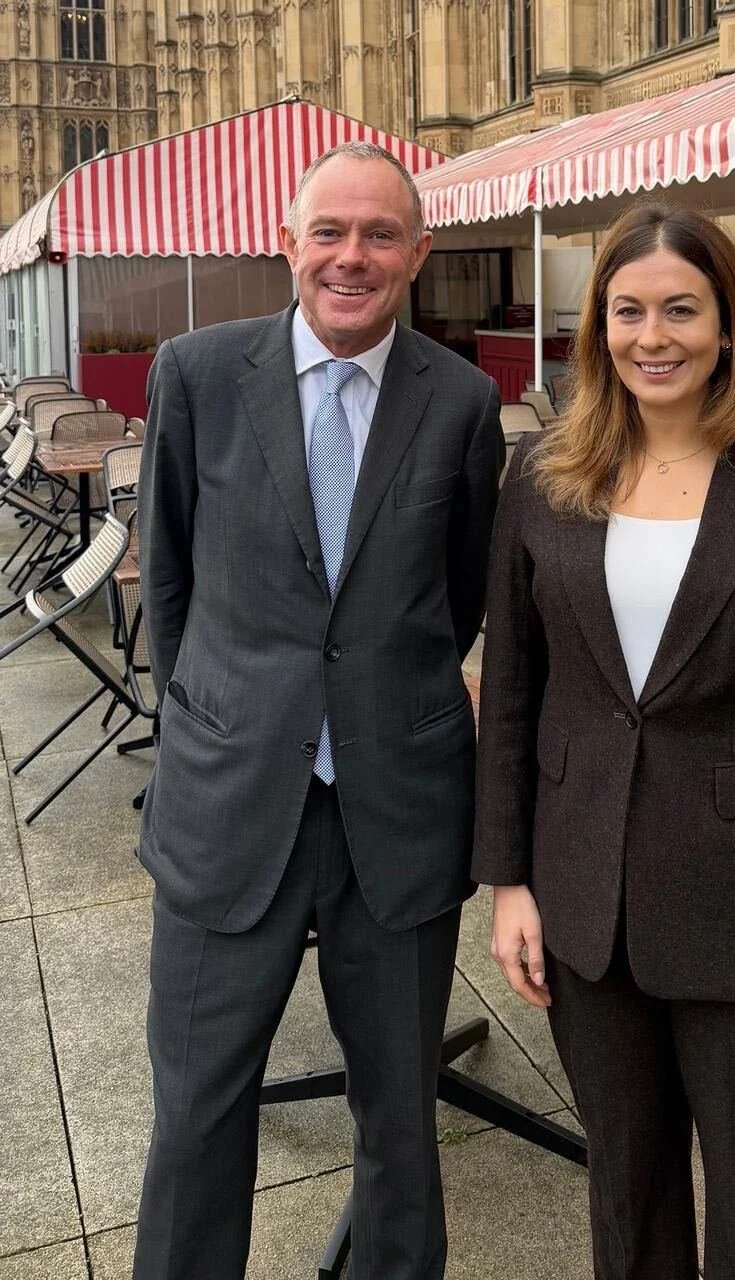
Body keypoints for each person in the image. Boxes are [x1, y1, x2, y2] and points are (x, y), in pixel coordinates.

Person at [472, 202, 735, 1280]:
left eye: (680, 310)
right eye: (628, 310)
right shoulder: (541, 478)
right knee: (627, 1188)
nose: (652, 336)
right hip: (584, 905)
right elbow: (511, 694)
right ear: (598, 327)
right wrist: (508, 881)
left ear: (727, 323)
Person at [133, 141, 504, 1280]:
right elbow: (169, 577)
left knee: (399, 1116)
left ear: (418, 253)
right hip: (230, 801)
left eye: (380, 234)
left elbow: (460, 594)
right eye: (329, 231)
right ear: (286, 242)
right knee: (196, 1113)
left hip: (398, 807)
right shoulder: (198, 374)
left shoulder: (463, 401)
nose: (352, 257)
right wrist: (221, 722)